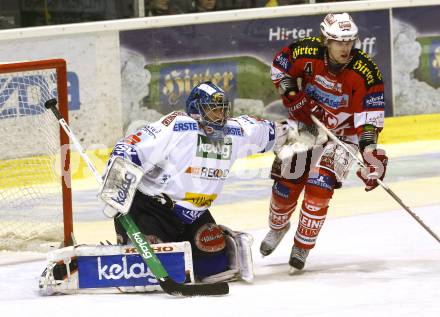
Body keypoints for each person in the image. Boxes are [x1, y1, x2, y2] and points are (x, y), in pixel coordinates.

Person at [105, 81, 294, 282]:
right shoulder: (177, 127)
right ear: (196, 110)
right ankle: (132, 240)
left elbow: (271, 131)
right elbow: (128, 148)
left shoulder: (233, 131)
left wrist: (302, 132)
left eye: (223, 111)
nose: (220, 117)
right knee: (152, 274)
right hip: (152, 210)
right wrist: (114, 189)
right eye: (213, 111)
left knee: (215, 269)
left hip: (194, 216)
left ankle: (221, 239)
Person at [260, 13, 388, 272]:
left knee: (319, 186)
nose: (345, 47)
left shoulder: (366, 72)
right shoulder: (306, 51)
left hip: (343, 136)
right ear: (326, 41)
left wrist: (371, 155)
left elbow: (369, 122)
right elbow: (280, 66)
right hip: (308, 126)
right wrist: (292, 94)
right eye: (339, 42)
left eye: (350, 41)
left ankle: (302, 246)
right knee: (285, 185)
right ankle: (278, 226)